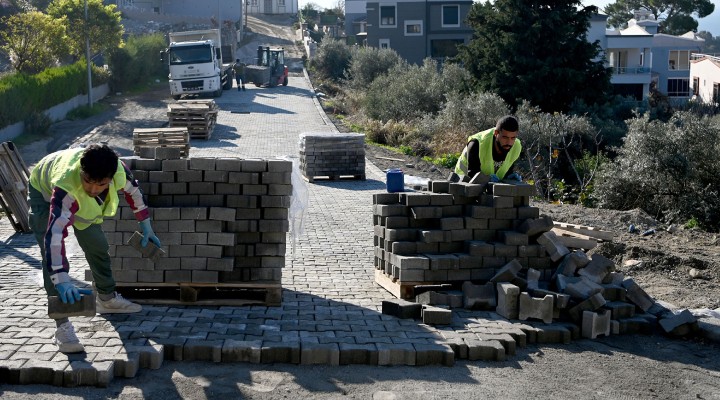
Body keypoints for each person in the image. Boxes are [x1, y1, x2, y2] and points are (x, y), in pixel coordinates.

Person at [28, 144, 162, 353]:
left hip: (73, 197)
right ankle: (62, 326)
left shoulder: (119, 171)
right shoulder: (66, 186)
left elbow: (134, 192)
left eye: (101, 184)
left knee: (98, 246)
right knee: (51, 261)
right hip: (43, 191)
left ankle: (106, 299)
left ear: (110, 178)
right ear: (82, 172)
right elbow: (55, 237)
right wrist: (62, 279)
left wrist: (145, 225)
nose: (92, 190)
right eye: (88, 181)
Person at [454, 115, 523, 182]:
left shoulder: (516, 146)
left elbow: (507, 170)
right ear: (496, 133)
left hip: (491, 187)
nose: (509, 142)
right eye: (505, 137)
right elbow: (472, 174)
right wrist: (486, 179)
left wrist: (509, 177)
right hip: (461, 181)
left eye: (513, 138)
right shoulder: (476, 144)